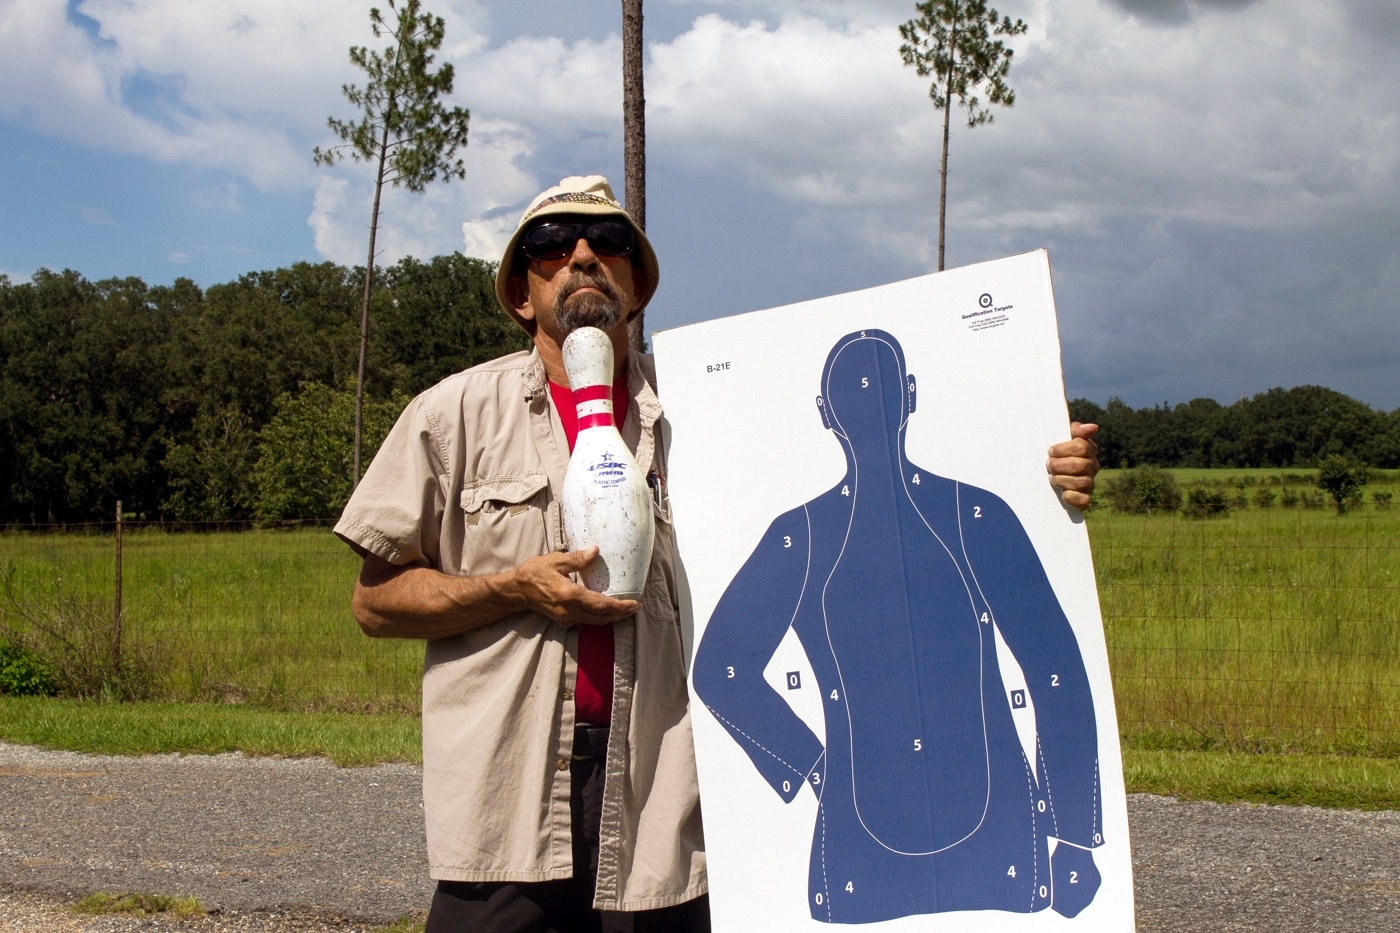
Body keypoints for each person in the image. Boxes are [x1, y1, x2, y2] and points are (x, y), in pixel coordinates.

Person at [334, 175, 1101, 932]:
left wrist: (1046, 478)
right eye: (548, 245)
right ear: (519, 293)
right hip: (509, 789)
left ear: (637, 284)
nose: (580, 255)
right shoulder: (451, 417)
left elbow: (1053, 654)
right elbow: (375, 603)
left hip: (662, 789)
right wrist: (514, 588)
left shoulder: (713, 418)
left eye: (608, 242)